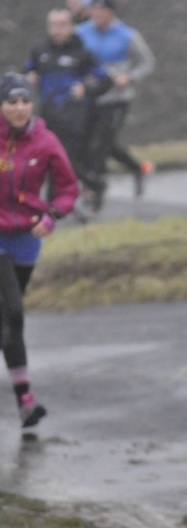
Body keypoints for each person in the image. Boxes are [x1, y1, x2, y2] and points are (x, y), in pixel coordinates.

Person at [0, 73, 79, 428]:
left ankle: (25, 406)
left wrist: (53, 216)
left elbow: (67, 189)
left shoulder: (45, 141)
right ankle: (27, 400)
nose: (18, 108)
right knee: (14, 314)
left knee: (9, 323)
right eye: (11, 102)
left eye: (24, 101)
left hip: (27, 239)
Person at [24, 8, 111, 218]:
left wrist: (86, 89)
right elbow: (27, 70)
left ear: (71, 27)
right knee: (50, 159)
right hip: (49, 115)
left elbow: (105, 80)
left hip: (75, 116)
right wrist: (30, 76)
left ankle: (55, 207)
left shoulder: (82, 52)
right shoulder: (40, 50)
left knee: (64, 158)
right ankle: (92, 184)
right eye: (53, 25)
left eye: (62, 25)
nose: (57, 30)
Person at [76, 0, 155, 209]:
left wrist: (129, 77)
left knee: (102, 143)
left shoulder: (127, 35)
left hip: (116, 99)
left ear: (111, 13)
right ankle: (137, 168)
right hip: (91, 98)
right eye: (95, 12)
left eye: (102, 13)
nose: (98, 17)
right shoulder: (81, 32)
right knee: (95, 142)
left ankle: (95, 191)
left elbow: (147, 62)